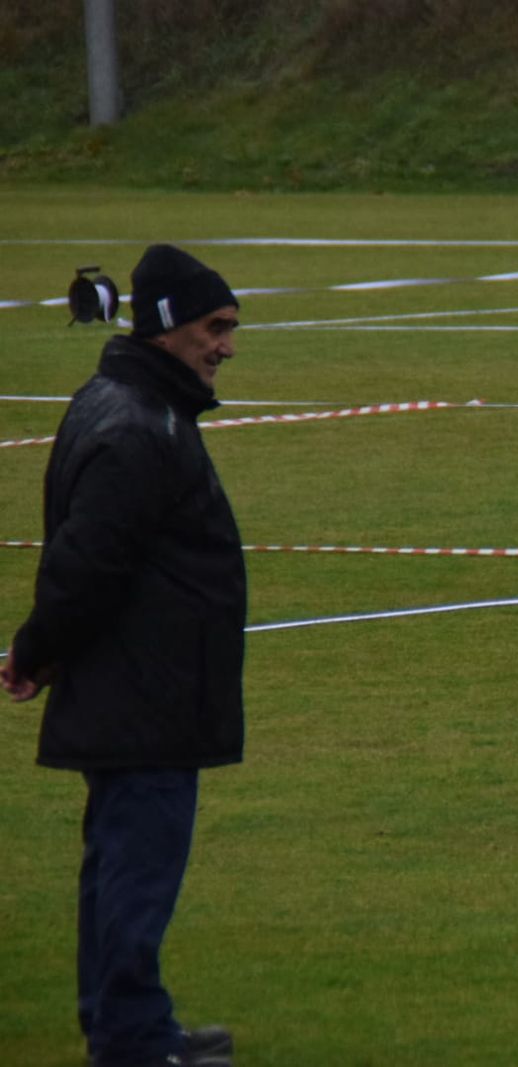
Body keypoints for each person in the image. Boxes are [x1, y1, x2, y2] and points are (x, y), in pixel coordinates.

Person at [2, 244, 246, 1067]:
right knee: (135, 873)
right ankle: (133, 1041)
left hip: (139, 688)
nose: (227, 346)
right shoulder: (141, 426)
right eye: (216, 327)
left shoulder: (124, 403)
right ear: (168, 325)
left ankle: (126, 1022)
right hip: (145, 694)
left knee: (117, 866)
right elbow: (87, 561)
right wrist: (36, 649)